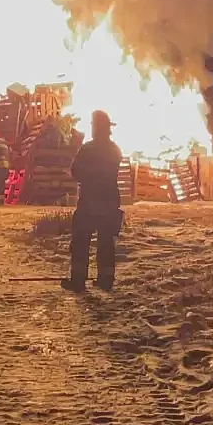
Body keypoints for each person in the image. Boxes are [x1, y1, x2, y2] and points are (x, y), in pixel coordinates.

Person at [61, 110, 123, 293]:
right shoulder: (115, 149)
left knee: (81, 239)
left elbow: (76, 171)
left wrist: (86, 176)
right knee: (106, 241)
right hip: (110, 200)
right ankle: (106, 279)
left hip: (90, 200)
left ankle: (78, 280)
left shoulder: (88, 148)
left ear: (95, 128)